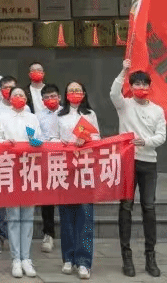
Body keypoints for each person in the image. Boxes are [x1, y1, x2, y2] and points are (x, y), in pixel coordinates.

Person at [111, 59, 166, 278]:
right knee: (125, 206)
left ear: (150, 87)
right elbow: (113, 93)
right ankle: (127, 257)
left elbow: (161, 136)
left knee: (149, 207)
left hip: (148, 163)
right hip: (127, 161)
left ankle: (150, 256)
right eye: (137, 84)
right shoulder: (124, 105)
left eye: (144, 84)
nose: (141, 87)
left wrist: (145, 142)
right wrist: (123, 71)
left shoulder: (157, 110)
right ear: (131, 86)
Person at [0, 87, 41, 279]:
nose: (19, 98)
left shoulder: (32, 118)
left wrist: (35, 142)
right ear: (9, 98)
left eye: (21, 95)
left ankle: (26, 258)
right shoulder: (3, 116)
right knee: (13, 216)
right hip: (10, 168)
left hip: (29, 168)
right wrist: (6, 143)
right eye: (15, 95)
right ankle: (15, 259)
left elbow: (40, 140)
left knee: (28, 215)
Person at [57, 80, 99, 280]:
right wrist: (63, 143)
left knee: (85, 215)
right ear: (66, 94)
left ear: (84, 93)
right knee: (66, 216)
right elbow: (51, 138)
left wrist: (87, 139)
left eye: (78, 90)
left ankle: (84, 261)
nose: (74, 93)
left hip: (85, 169)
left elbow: (98, 139)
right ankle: (68, 257)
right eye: (71, 90)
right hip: (65, 170)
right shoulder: (59, 115)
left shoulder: (90, 115)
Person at [0, 75, 18, 254]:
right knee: (0, 200)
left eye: (12, 88)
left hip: (20, 161)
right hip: (1, 159)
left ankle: (16, 237)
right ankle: (0, 236)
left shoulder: (26, 109)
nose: (9, 91)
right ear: (0, 91)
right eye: (6, 88)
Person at [36, 84, 62, 255]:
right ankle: (48, 234)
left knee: (67, 198)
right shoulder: (37, 116)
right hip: (45, 160)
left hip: (66, 160)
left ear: (59, 97)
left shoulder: (67, 113)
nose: (50, 100)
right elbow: (35, 136)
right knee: (47, 200)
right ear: (42, 100)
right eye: (46, 97)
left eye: (53, 96)